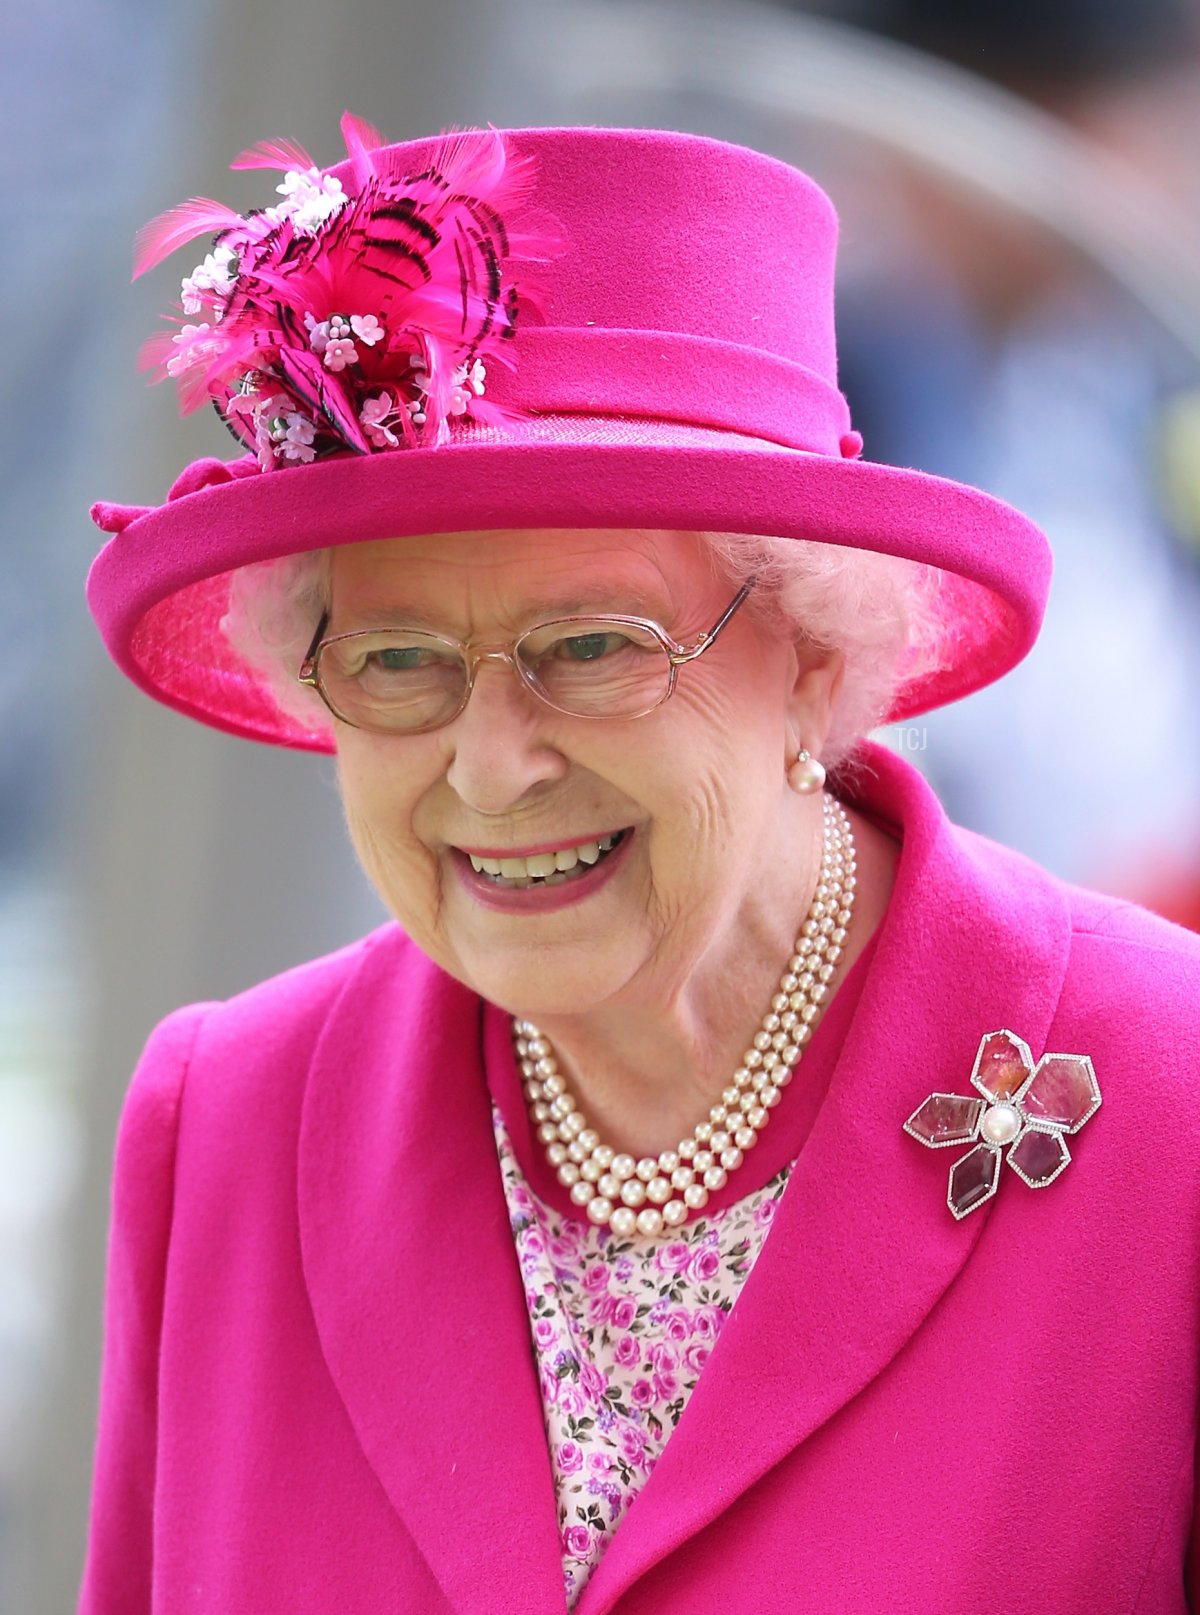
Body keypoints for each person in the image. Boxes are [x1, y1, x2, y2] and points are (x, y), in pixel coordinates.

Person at [79, 114, 1200, 1614]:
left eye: (591, 647)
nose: (491, 765)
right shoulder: (225, 1123)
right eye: (398, 659)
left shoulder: (1174, 1110)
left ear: (811, 659)